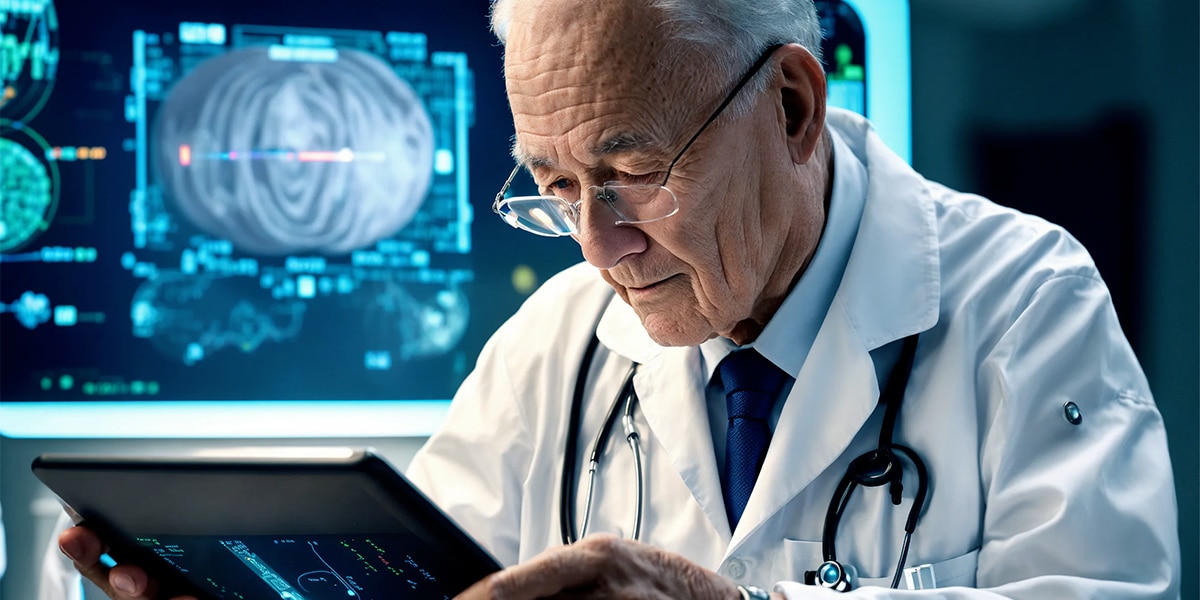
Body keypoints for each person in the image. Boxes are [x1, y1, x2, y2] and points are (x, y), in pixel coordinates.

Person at [58, 0, 1180, 597]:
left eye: (633, 171)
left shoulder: (1023, 301)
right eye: (553, 187)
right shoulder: (560, 344)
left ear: (792, 105)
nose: (599, 245)